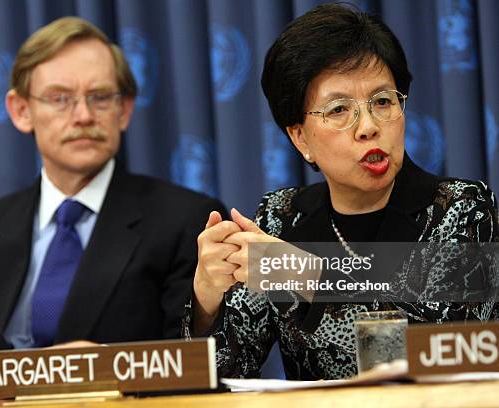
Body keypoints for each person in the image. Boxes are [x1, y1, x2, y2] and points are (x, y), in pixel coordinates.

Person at [186, 4, 499, 380]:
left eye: (383, 101)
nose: (368, 127)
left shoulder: (462, 209)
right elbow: (226, 372)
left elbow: (443, 351)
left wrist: (304, 275)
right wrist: (206, 299)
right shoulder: (282, 218)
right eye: (338, 110)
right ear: (300, 137)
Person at [0, 16, 226, 383]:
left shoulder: (186, 220)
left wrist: (88, 369)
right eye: (60, 98)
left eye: (100, 97)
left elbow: (194, 370)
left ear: (124, 110)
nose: (82, 116)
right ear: (20, 111)